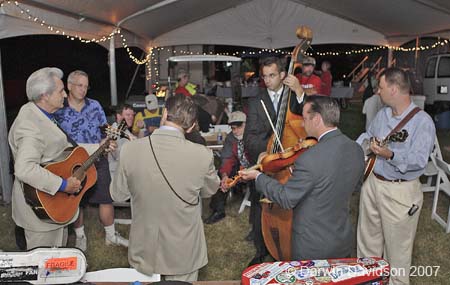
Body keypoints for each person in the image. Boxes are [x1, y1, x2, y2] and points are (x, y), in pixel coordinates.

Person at [110, 94, 220, 282]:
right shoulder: (202, 155)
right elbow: (209, 191)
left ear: (165, 113)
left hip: (144, 248)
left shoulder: (130, 149)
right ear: (192, 125)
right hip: (183, 249)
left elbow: (117, 194)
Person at [240, 95, 365, 260]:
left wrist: (258, 177)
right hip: (341, 238)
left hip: (312, 244)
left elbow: (286, 198)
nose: (302, 123)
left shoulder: (309, 158)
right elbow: (352, 186)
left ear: (317, 119)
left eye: (305, 118)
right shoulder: (356, 149)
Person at [356, 67, 435, 285]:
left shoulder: (423, 122)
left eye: (380, 88)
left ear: (393, 89)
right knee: (367, 243)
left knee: (397, 252)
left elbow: (419, 160)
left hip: (400, 191)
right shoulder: (382, 114)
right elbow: (367, 136)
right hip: (373, 182)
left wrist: (390, 154)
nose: (377, 92)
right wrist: (360, 147)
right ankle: (368, 280)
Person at [8, 67, 83, 249]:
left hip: (54, 207)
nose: (65, 95)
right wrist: (64, 185)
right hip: (40, 210)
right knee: (44, 269)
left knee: (58, 264)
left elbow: (62, 151)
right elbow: (25, 169)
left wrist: (100, 147)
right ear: (44, 96)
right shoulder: (30, 126)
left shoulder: (40, 114)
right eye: (60, 91)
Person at [54, 70, 128, 251]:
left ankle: (111, 236)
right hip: (72, 163)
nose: (83, 89)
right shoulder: (58, 108)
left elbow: (104, 130)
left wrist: (106, 140)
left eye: (86, 86)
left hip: (97, 159)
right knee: (77, 200)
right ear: (69, 86)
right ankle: (80, 237)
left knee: (106, 197)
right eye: (80, 85)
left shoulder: (94, 105)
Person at [244, 56, 307, 265]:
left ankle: (293, 248)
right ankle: (261, 251)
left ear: (283, 75)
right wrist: (262, 153)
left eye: (272, 75)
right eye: (265, 76)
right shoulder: (256, 102)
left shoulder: (293, 97)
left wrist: (299, 92)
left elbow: (310, 118)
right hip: (269, 162)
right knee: (259, 206)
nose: (268, 80)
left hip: (291, 163)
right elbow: (249, 137)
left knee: (294, 206)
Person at [204, 111, 250, 224]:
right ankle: (218, 210)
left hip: (254, 167)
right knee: (221, 175)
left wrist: (246, 170)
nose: (236, 131)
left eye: (239, 127)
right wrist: (225, 176)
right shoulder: (231, 138)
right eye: (233, 128)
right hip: (239, 167)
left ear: (246, 124)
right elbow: (227, 158)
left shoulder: (253, 136)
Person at [108, 104, 136, 178]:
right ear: (119, 116)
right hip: (118, 175)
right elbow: (117, 155)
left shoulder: (125, 131)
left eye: (132, 115)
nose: (131, 117)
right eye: (128, 115)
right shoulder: (115, 132)